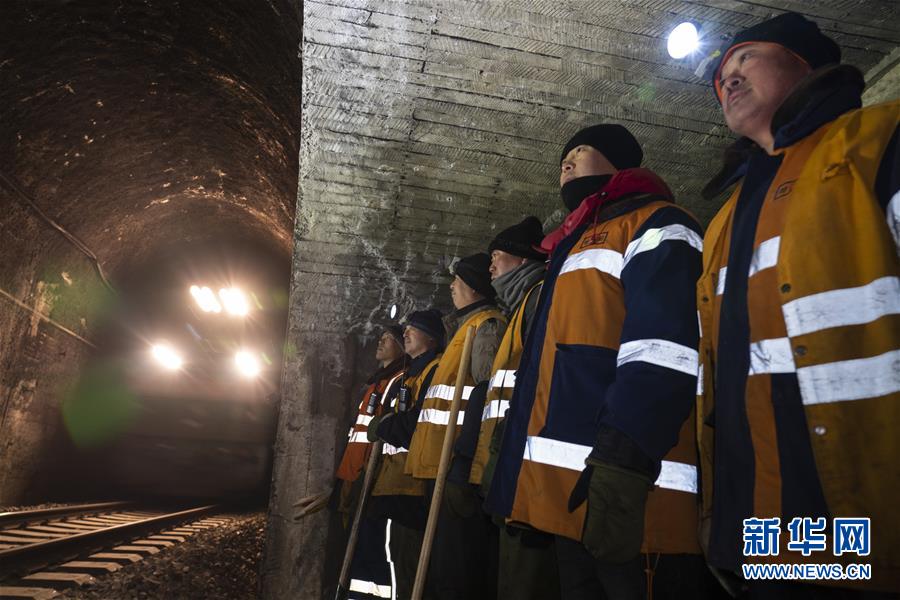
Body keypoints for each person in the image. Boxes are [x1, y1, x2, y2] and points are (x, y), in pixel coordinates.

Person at [695, 12, 900, 597]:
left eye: (745, 59)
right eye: (719, 77)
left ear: (806, 64)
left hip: (858, 512)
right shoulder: (724, 222)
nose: (727, 79)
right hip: (759, 520)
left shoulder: (877, 140)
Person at [487, 124, 717, 599]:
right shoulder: (574, 247)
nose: (566, 163)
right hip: (571, 497)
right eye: (563, 157)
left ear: (620, 163)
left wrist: (625, 459)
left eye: (581, 150)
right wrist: (515, 480)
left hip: (635, 493)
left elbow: (663, 349)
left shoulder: (658, 223)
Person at [464, 216, 560, 600]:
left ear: (521, 260)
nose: (491, 267)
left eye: (497, 257)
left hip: (527, 467)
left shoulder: (538, 299)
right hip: (509, 463)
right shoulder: (519, 308)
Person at [405, 253, 507, 600]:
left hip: (456, 462)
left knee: (458, 566)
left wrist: (466, 460)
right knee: (441, 563)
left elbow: (489, 394)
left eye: (458, 281)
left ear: (475, 287)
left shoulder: (486, 327)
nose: (451, 286)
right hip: (441, 461)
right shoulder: (464, 330)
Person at [293, 326, 406, 600]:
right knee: (355, 556)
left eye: (390, 338)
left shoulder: (399, 382)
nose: (381, 340)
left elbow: (384, 439)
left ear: (402, 348)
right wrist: (340, 486)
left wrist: (362, 480)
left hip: (370, 483)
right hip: (353, 481)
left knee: (373, 555)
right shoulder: (376, 384)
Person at [368, 309, 445, 600]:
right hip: (395, 483)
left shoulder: (434, 371)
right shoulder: (409, 373)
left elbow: (417, 425)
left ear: (432, 338)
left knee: (412, 566)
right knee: (397, 563)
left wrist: (386, 424)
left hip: (414, 486)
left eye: (414, 328)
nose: (406, 333)